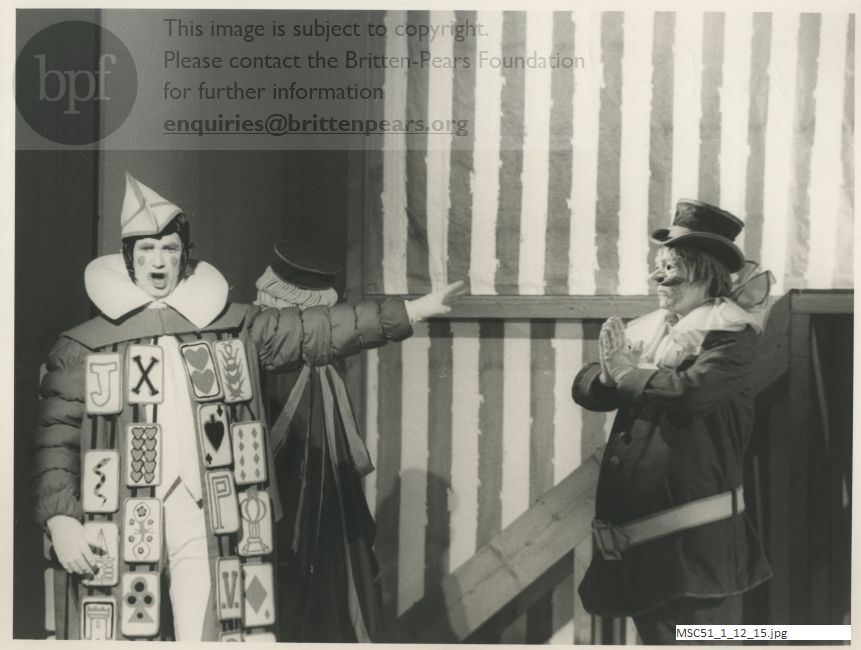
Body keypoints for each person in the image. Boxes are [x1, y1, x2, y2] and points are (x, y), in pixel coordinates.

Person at [32, 173, 464, 641]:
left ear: (185, 255)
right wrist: (61, 518)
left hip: (206, 517)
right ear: (130, 260)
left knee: (215, 632)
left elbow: (313, 329)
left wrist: (413, 311)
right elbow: (56, 441)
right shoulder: (83, 346)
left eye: (170, 249)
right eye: (147, 251)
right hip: (118, 519)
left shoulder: (232, 324)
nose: (159, 262)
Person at [571, 199, 773, 644]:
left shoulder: (729, 337)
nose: (658, 277)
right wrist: (610, 375)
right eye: (658, 266)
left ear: (707, 275)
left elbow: (690, 394)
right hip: (650, 553)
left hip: (695, 553)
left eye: (673, 268)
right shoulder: (656, 330)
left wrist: (626, 374)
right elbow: (587, 385)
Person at [253, 239, 381, 642]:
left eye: (266, 296)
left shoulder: (282, 362)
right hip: (312, 503)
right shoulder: (320, 360)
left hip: (300, 503)